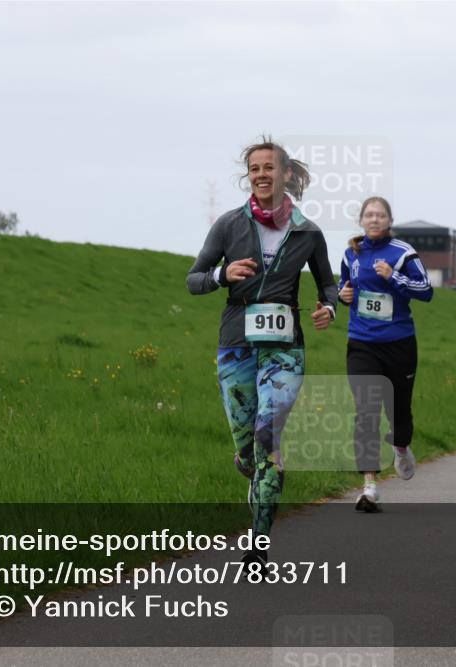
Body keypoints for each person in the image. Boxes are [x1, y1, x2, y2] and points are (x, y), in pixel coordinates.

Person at [186, 137, 338, 565]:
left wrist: (329, 307)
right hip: (235, 344)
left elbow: (328, 283)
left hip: (285, 349)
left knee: (267, 437)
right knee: (248, 449)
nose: (261, 175)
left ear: (286, 173)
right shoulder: (228, 225)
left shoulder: (307, 231)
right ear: (247, 175)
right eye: (254, 169)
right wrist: (222, 274)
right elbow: (193, 280)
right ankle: (250, 465)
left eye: (269, 167)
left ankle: (258, 544)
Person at [338, 197, 433, 512]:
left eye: (380, 215)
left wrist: (393, 276)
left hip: (400, 344)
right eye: (369, 214)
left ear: (389, 220)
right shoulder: (351, 252)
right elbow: (344, 286)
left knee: (399, 413)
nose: (374, 219)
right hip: (362, 343)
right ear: (362, 219)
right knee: (366, 410)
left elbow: (426, 291)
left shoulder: (403, 253)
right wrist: (343, 294)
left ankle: (401, 446)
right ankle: (369, 484)